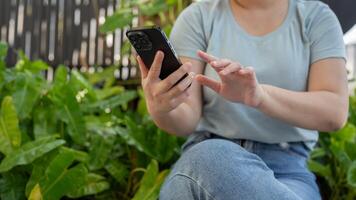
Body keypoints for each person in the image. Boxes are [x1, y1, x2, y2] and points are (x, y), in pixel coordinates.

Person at [136, 0, 348, 199]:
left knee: (208, 160)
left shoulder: (316, 17)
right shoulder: (198, 16)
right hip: (204, 165)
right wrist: (161, 108)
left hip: (286, 172)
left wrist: (260, 97)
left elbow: (334, 112)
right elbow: (186, 119)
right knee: (210, 159)